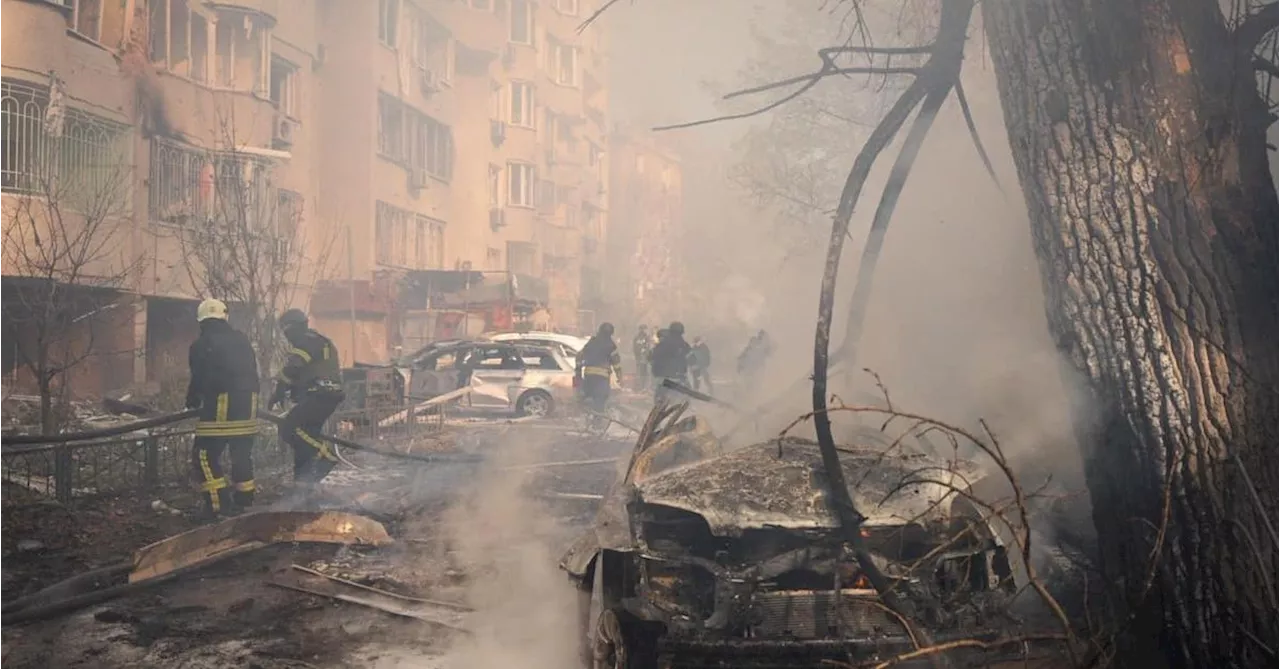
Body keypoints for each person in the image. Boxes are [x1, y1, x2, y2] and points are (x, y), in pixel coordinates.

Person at [186, 298, 260, 519]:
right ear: (224, 317)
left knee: (204, 454)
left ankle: (217, 506)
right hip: (250, 404)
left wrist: (191, 399)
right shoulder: (242, 339)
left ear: (201, 321)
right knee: (241, 453)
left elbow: (199, 377)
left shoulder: (201, 345)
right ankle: (244, 502)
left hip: (222, 404)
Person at [269, 309, 346, 489]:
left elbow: (293, 368)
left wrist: (279, 391)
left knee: (290, 428)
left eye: (286, 332)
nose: (287, 337)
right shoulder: (317, 341)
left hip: (321, 395)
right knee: (306, 437)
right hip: (324, 394)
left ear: (292, 328)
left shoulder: (306, 341)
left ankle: (325, 456)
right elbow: (305, 372)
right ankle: (302, 485)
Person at [576, 322, 624, 416]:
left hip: (588, 377)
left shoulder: (592, 342)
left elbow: (579, 356)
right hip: (602, 379)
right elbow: (616, 364)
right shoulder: (611, 346)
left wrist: (578, 370)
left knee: (586, 398)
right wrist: (620, 378)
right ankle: (597, 425)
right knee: (600, 401)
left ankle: (586, 419)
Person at [650, 321, 692, 403]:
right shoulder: (684, 345)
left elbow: (653, 356)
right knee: (683, 395)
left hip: (663, 376)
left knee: (660, 398)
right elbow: (691, 359)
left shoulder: (663, 344)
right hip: (679, 376)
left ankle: (659, 410)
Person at [631, 325, 652, 391]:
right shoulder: (638, 338)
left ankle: (642, 386)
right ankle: (640, 386)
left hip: (643, 358)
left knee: (643, 372)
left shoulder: (646, 338)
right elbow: (635, 348)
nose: (643, 330)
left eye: (644, 329)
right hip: (641, 357)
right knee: (641, 372)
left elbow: (648, 347)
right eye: (642, 329)